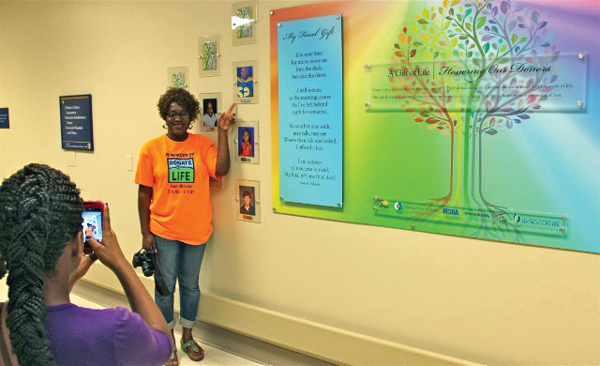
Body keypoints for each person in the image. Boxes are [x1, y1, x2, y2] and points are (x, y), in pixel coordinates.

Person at [0, 163, 171, 366]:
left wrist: (67, 280)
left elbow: (45, 308)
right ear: (77, 242)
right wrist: (120, 264)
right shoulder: (116, 329)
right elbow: (163, 342)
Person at [135, 87, 235, 365]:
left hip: (196, 231)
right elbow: (144, 195)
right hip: (163, 232)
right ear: (164, 117)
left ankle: (187, 337)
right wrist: (146, 233)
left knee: (190, 287)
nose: (177, 119)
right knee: (165, 289)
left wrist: (223, 132)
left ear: (191, 117)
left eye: (182, 114)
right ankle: (165, 341)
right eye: (171, 114)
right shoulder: (151, 149)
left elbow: (222, 169)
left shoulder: (202, 145)